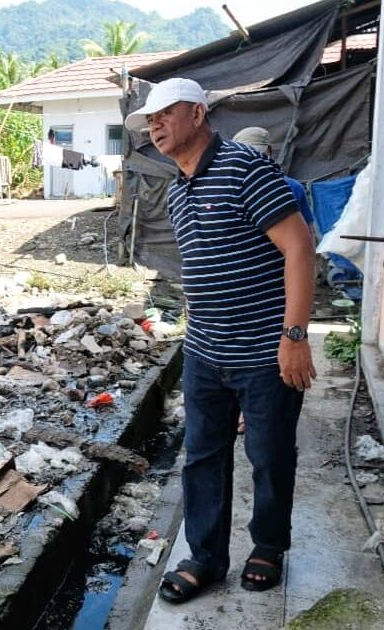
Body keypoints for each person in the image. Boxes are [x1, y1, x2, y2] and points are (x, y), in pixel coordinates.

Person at [124, 78, 316, 603]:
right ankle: (205, 557)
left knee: (270, 454)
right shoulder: (179, 189)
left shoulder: (245, 168)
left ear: (197, 112)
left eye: (164, 114)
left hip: (264, 351)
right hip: (206, 351)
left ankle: (268, 547)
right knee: (202, 456)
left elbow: (300, 249)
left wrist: (294, 336)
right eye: (150, 120)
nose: (155, 126)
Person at [230, 126, 316, 436]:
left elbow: (305, 243)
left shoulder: (288, 188)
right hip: (259, 286)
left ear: (269, 153)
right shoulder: (287, 186)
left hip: (274, 284)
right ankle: (255, 411)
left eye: (254, 152)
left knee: (268, 350)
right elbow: (309, 239)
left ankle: (256, 413)